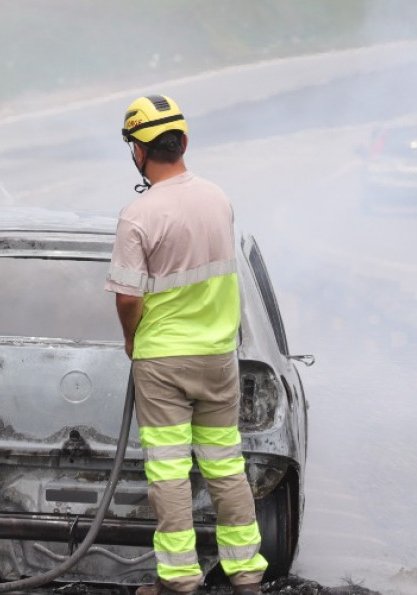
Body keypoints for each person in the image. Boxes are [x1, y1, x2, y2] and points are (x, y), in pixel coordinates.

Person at [106, 94, 269, 595]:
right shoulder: (218, 198)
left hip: (163, 361)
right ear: (184, 142)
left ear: (138, 150)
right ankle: (246, 573)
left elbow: (129, 297)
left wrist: (132, 340)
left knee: (170, 472)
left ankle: (179, 580)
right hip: (218, 357)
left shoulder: (138, 215)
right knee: (225, 466)